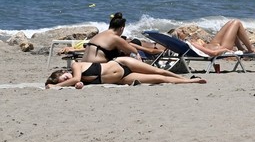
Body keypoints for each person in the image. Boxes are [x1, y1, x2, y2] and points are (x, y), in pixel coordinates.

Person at [45, 57, 207, 88]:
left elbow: (75, 79)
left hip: (121, 62)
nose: (67, 79)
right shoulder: (77, 81)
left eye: (64, 78)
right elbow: (78, 82)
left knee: (158, 70)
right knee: (158, 78)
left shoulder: (75, 66)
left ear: (62, 72)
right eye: (63, 82)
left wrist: (55, 87)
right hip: (122, 78)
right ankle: (190, 81)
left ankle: (183, 77)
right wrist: (79, 85)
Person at [173, 19, 255, 56]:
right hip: (221, 47)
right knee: (237, 23)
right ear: (179, 37)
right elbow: (212, 53)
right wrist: (225, 50)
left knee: (231, 22)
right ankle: (250, 49)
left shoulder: (189, 42)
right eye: (180, 32)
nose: (183, 31)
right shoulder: (190, 43)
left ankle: (241, 48)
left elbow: (206, 47)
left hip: (214, 44)